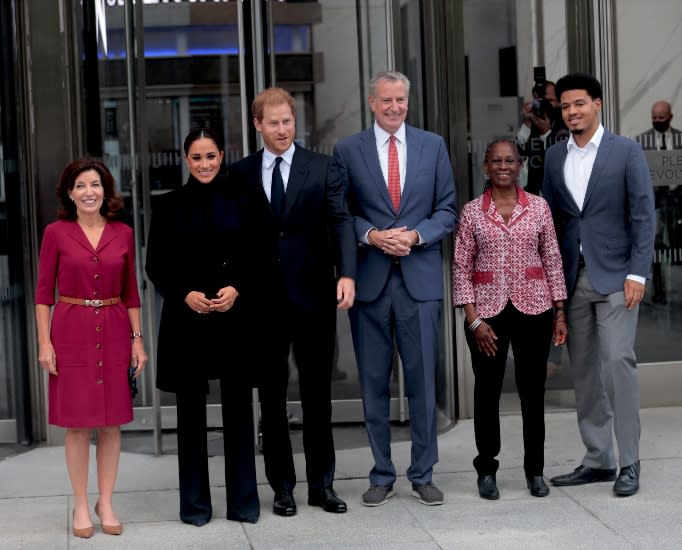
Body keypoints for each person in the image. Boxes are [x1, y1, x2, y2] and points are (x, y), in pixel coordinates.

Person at [331, 70, 457, 507]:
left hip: (418, 283)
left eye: (400, 99)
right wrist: (372, 236)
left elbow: (447, 210)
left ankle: (423, 474)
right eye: (386, 100)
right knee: (373, 385)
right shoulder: (348, 150)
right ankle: (381, 473)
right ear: (371, 102)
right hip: (370, 284)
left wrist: (416, 236)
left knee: (423, 385)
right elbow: (342, 213)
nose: (394, 107)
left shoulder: (432, 145)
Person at [228, 88, 356, 517]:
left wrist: (348, 274)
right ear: (257, 125)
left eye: (288, 121)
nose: (282, 129)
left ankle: (323, 486)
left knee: (317, 395)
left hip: (314, 298)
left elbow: (341, 221)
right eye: (274, 122)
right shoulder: (240, 174)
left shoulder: (321, 168)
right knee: (272, 398)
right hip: (262, 304)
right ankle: (282, 486)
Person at [543, 73, 656, 497]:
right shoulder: (555, 158)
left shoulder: (625, 151)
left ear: (598, 104)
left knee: (617, 364)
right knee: (586, 373)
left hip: (616, 278)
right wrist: (552, 285)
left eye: (580, 104)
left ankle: (629, 461)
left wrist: (637, 273)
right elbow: (550, 222)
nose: (572, 112)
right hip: (572, 279)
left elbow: (644, 217)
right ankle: (598, 460)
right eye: (565, 106)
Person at [145, 128, 262, 525]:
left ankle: (244, 504)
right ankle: (195, 507)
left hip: (234, 317)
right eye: (197, 158)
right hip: (187, 320)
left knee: (238, 412)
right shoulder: (168, 206)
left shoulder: (244, 199)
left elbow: (260, 254)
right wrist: (184, 294)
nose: (205, 164)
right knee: (190, 416)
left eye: (210, 156)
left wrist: (237, 288)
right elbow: (155, 265)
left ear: (221, 155)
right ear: (185, 160)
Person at [35, 158, 147, 538]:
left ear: (106, 191)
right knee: (79, 426)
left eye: (95, 184)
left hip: (115, 329)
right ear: (70, 193)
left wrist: (138, 341)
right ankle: (81, 507)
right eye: (81, 185)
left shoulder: (124, 233)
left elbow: (132, 292)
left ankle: (107, 502)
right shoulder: (56, 233)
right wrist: (44, 343)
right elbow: (41, 293)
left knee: (112, 424)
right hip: (71, 332)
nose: (89, 192)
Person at [452, 139, 568, 500]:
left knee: (533, 393)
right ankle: (486, 469)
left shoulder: (539, 208)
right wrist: (474, 321)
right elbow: (461, 268)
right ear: (486, 166)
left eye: (510, 160)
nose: (503, 166)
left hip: (534, 309)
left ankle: (535, 471)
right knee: (487, 393)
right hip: (486, 315)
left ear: (519, 165)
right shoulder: (472, 212)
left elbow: (552, 258)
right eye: (496, 161)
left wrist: (559, 311)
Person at [637, 100, 682, 304]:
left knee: (678, 244)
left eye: (661, 118)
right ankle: (659, 291)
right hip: (654, 202)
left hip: (678, 199)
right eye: (654, 118)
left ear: (670, 117)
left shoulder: (681, 139)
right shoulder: (642, 140)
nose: (657, 121)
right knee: (655, 246)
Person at [516, 80, 568, 195]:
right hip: (533, 195)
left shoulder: (566, 123)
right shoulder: (529, 123)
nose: (545, 105)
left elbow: (561, 159)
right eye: (539, 101)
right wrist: (526, 124)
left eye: (549, 101)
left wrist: (546, 133)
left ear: (559, 102)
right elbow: (516, 154)